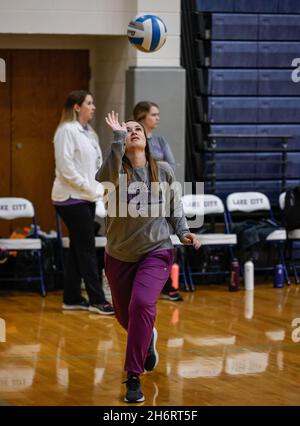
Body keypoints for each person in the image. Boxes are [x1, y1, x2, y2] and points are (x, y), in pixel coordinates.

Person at [96, 111, 201, 403]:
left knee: (142, 304)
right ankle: (147, 338)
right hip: (118, 255)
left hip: (156, 251)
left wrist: (184, 233)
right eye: (127, 130)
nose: (133, 132)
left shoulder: (163, 170)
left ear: (146, 138)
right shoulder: (114, 171)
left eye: (137, 129)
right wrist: (117, 137)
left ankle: (133, 377)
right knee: (125, 316)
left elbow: (175, 207)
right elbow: (103, 177)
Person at [51, 90, 114, 315]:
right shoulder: (66, 131)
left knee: (79, 247)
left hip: (87, 196)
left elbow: (93, 167)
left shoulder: (89, 133)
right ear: (77, 107)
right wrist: (90, 189)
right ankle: (97, 300)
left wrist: (99, 189)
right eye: (89, 103)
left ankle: (72, 298)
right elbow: (66, 168)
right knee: (87, 248)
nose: (93, 106)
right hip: (70, 198)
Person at [133, 101, 183, 302]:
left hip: (160, 194)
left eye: (158, 114)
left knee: (164, 238)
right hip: (137, 196)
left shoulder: (160, 141)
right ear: (142, 117)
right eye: (154, 114)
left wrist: (154, 171)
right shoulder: (133, 139)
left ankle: (167, 284)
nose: (157, 118)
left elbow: (170, 165)